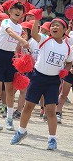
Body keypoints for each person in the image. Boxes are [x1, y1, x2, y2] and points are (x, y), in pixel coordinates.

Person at [11, 17, 72, 150]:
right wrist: (37, 20)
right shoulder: (45, 39)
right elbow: (33, 34)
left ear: (65, 30)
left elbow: (69, 62)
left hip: (53, 81)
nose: (54, 27)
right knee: (28, 107)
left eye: (58, 25)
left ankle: (52, 139)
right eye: (52, 25)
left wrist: (65, 71)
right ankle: (21, 131)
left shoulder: (68, 48)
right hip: (38, 77)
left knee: (50, 111)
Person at [0, 1, 29, 132]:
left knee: (10, 91)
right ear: (10, 11)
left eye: (20, 9)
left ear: (22, 14)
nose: (18, 11)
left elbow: (17, 46)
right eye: (15, 9)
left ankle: (9, 119)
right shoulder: (6, 22)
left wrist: (19, 56)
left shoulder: (21, 28)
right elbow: (10, 33)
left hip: (11, 58)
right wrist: (22, 40)